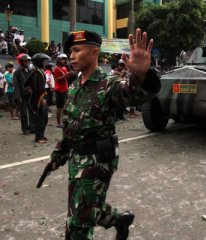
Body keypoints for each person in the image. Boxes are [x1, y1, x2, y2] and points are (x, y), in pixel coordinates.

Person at [46, 29, 160, 240]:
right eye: (70, 51)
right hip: (76, 160)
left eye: (77, 50)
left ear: (94, 52)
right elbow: (71, 129)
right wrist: (58, 156)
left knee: (78, 222)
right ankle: (119, 219)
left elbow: (133, 95)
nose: (71, 56)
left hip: (98, 161)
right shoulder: (73, 88)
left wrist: (141, 75)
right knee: (84, 209)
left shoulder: (109, 84)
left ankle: (112, 221)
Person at [24, 53, 51, 143]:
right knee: (40, 118)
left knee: (44, 118)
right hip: (39, 98)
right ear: (39, 62)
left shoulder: (39, 71)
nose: (45, 63)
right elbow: (38, 88)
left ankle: (41, 135)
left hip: (41, 97)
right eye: (44, 61)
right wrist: (41, 98)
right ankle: (38, 137)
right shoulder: (37, 72)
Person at [13, 53, 35, 135]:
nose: (27, 62)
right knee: (24, 113)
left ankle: (32, 128)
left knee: (32, 112)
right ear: (21, 62)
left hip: (30, 95)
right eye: (25, 61)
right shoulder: (17, 72)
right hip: (22, 96)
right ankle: (25, 129)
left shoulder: (29, 70)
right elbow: (16, 85)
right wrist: (18, 97)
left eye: (28, 61)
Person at [54, 53, 70, 128]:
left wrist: (68, 76)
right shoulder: (56, 69)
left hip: (65, 89)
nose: (63, 61)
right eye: (61, 59)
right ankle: (58, 123)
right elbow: (57, 80)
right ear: (58, 60)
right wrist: (65, 75)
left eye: (64, 59)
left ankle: (63, 122)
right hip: (59, 90)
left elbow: (65, 78)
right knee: (59, 107)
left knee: (65, 106)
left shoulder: (65, 68)